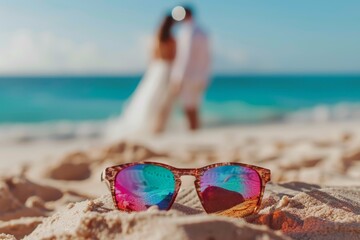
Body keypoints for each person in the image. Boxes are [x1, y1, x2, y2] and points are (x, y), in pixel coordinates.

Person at [108, 14, 176, 139]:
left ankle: (150, 127)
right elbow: (174, 58)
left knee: (151, 99)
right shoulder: (171, 39)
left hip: (156, 70)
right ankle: (158, 128)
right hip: (166, 70)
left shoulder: (157, 37)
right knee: (163, 101)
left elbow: (152, 57)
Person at [167, 6, 211, 131]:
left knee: (188, 107)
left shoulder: (187, 32)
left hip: (187, 76)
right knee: (195, 106)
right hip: (200, 76)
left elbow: (184, 57)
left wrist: (178, 77)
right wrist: (205, 76)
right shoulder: (202, 32)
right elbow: (208, 57)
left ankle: (193, 131)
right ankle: (195, 131)